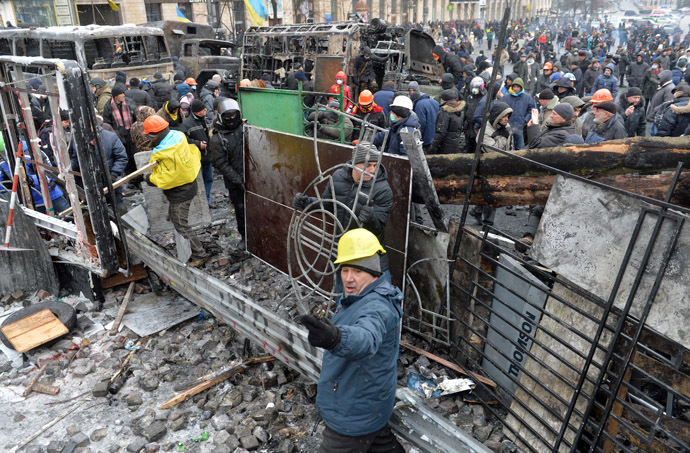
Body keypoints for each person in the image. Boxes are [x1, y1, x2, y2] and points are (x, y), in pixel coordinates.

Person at [297, 228, 404, 453]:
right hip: (367, 404)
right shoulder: (359, 296)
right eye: (345, 269)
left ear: (373, 272)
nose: (348, 278)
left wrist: (336, 338)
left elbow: (366, 337)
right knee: (379, 442)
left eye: (357, 270)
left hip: (352, 417)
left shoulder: (377, 307)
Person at [293, 142, 393, 251]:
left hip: (367, 252)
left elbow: (379, 228)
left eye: (375, 165)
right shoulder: (338, 177)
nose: (373, 170)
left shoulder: (383, 189)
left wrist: (371, 218)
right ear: (354, 164)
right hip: (341, 247)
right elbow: (328, 206)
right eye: (367, 165)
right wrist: (308, 203)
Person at [143, 115, 207, 260]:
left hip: (181, 193)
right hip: (187, 187)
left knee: (181, 225)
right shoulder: (178, 136)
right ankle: (173, 215)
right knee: (175, 216)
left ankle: (199, 255)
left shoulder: (164, 152)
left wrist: (148, 178)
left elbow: (168, 177)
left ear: (155, 134)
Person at [210, 99, 246, 249]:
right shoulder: (218, 138)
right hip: (235, 182)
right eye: (227, 116)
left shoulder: (245, 127)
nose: (231, 119)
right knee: (240, 210)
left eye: (234, 116)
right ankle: (244, 236)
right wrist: (238, 180)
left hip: (252, 175)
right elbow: (221, 164)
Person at [472, 101, 512, 226]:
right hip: (486, 165)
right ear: (497, 116)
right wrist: (502, 137)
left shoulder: (506, 127)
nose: (506, 119)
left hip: (501, 164)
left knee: (486, 192)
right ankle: (488, 222)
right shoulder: (485, 131)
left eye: (508, 116)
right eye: (504, 116)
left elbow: (510, 146)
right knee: (491, 193)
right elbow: (492, 150)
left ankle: (477, 211)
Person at [180, 99, 213, 205]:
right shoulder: (187, 124)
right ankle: (201, 202)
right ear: (197, 111)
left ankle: (207, 199)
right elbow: (184, 140)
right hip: (197, 159)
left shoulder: (206, 120)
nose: (206, 110)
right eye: (204, 109)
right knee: (200, 181)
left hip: (208, 156)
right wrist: (198, 144)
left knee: (209, 179)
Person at [102, 85, 136, 175]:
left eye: (123, 93)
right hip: (118, 136)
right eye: (121, 93)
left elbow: (135, 116)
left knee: (133, 156)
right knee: (123, 157)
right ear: (115, 96)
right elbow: (107, 123)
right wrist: (115, 134)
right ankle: (126, 176)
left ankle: (135, 178)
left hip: (130, 134)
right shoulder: (108, 106)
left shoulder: (129, 102)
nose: (123, 95)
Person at [428, 89, 464, 155]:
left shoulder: (445, 111)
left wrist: (433, 147)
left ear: (444, 100)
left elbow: (441, 131)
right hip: (455, 145)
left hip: (444, 146)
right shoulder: (460, 112)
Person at [503, 77, 535, 150]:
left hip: (520, 126)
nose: (516, 89)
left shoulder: (527, 97)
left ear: (521, 87)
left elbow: (531, 110)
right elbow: (502, 109)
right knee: (506, 146)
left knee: (520, 147)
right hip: (508, 126)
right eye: (514, 86)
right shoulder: (506, 97)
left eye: (518, 87)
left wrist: (525, 120)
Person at [409, 82, 440, 153]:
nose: (411, 92)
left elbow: (421, 123)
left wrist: (419, 137)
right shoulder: (434, 102)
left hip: (426, 138)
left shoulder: (419, 105)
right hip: (435, 137)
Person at [464, 77, 485, 154]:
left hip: (477, 128)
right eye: (473, 87)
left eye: (476, 87)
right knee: (468, 149)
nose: (474, 89)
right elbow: (466, 110)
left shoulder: (484, 98)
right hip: (468, 128)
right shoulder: (469, 97)